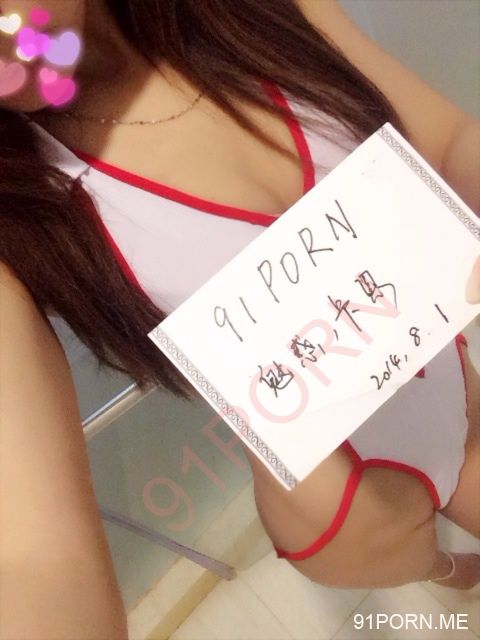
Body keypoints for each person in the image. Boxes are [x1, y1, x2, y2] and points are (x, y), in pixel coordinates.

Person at [0, 0, 479, 637]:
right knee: (438, 567)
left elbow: (447, 141)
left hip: (451, 382)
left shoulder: (252, 14)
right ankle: (444, 569)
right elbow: (35, 558)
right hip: (342, 500)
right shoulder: (20, 216)